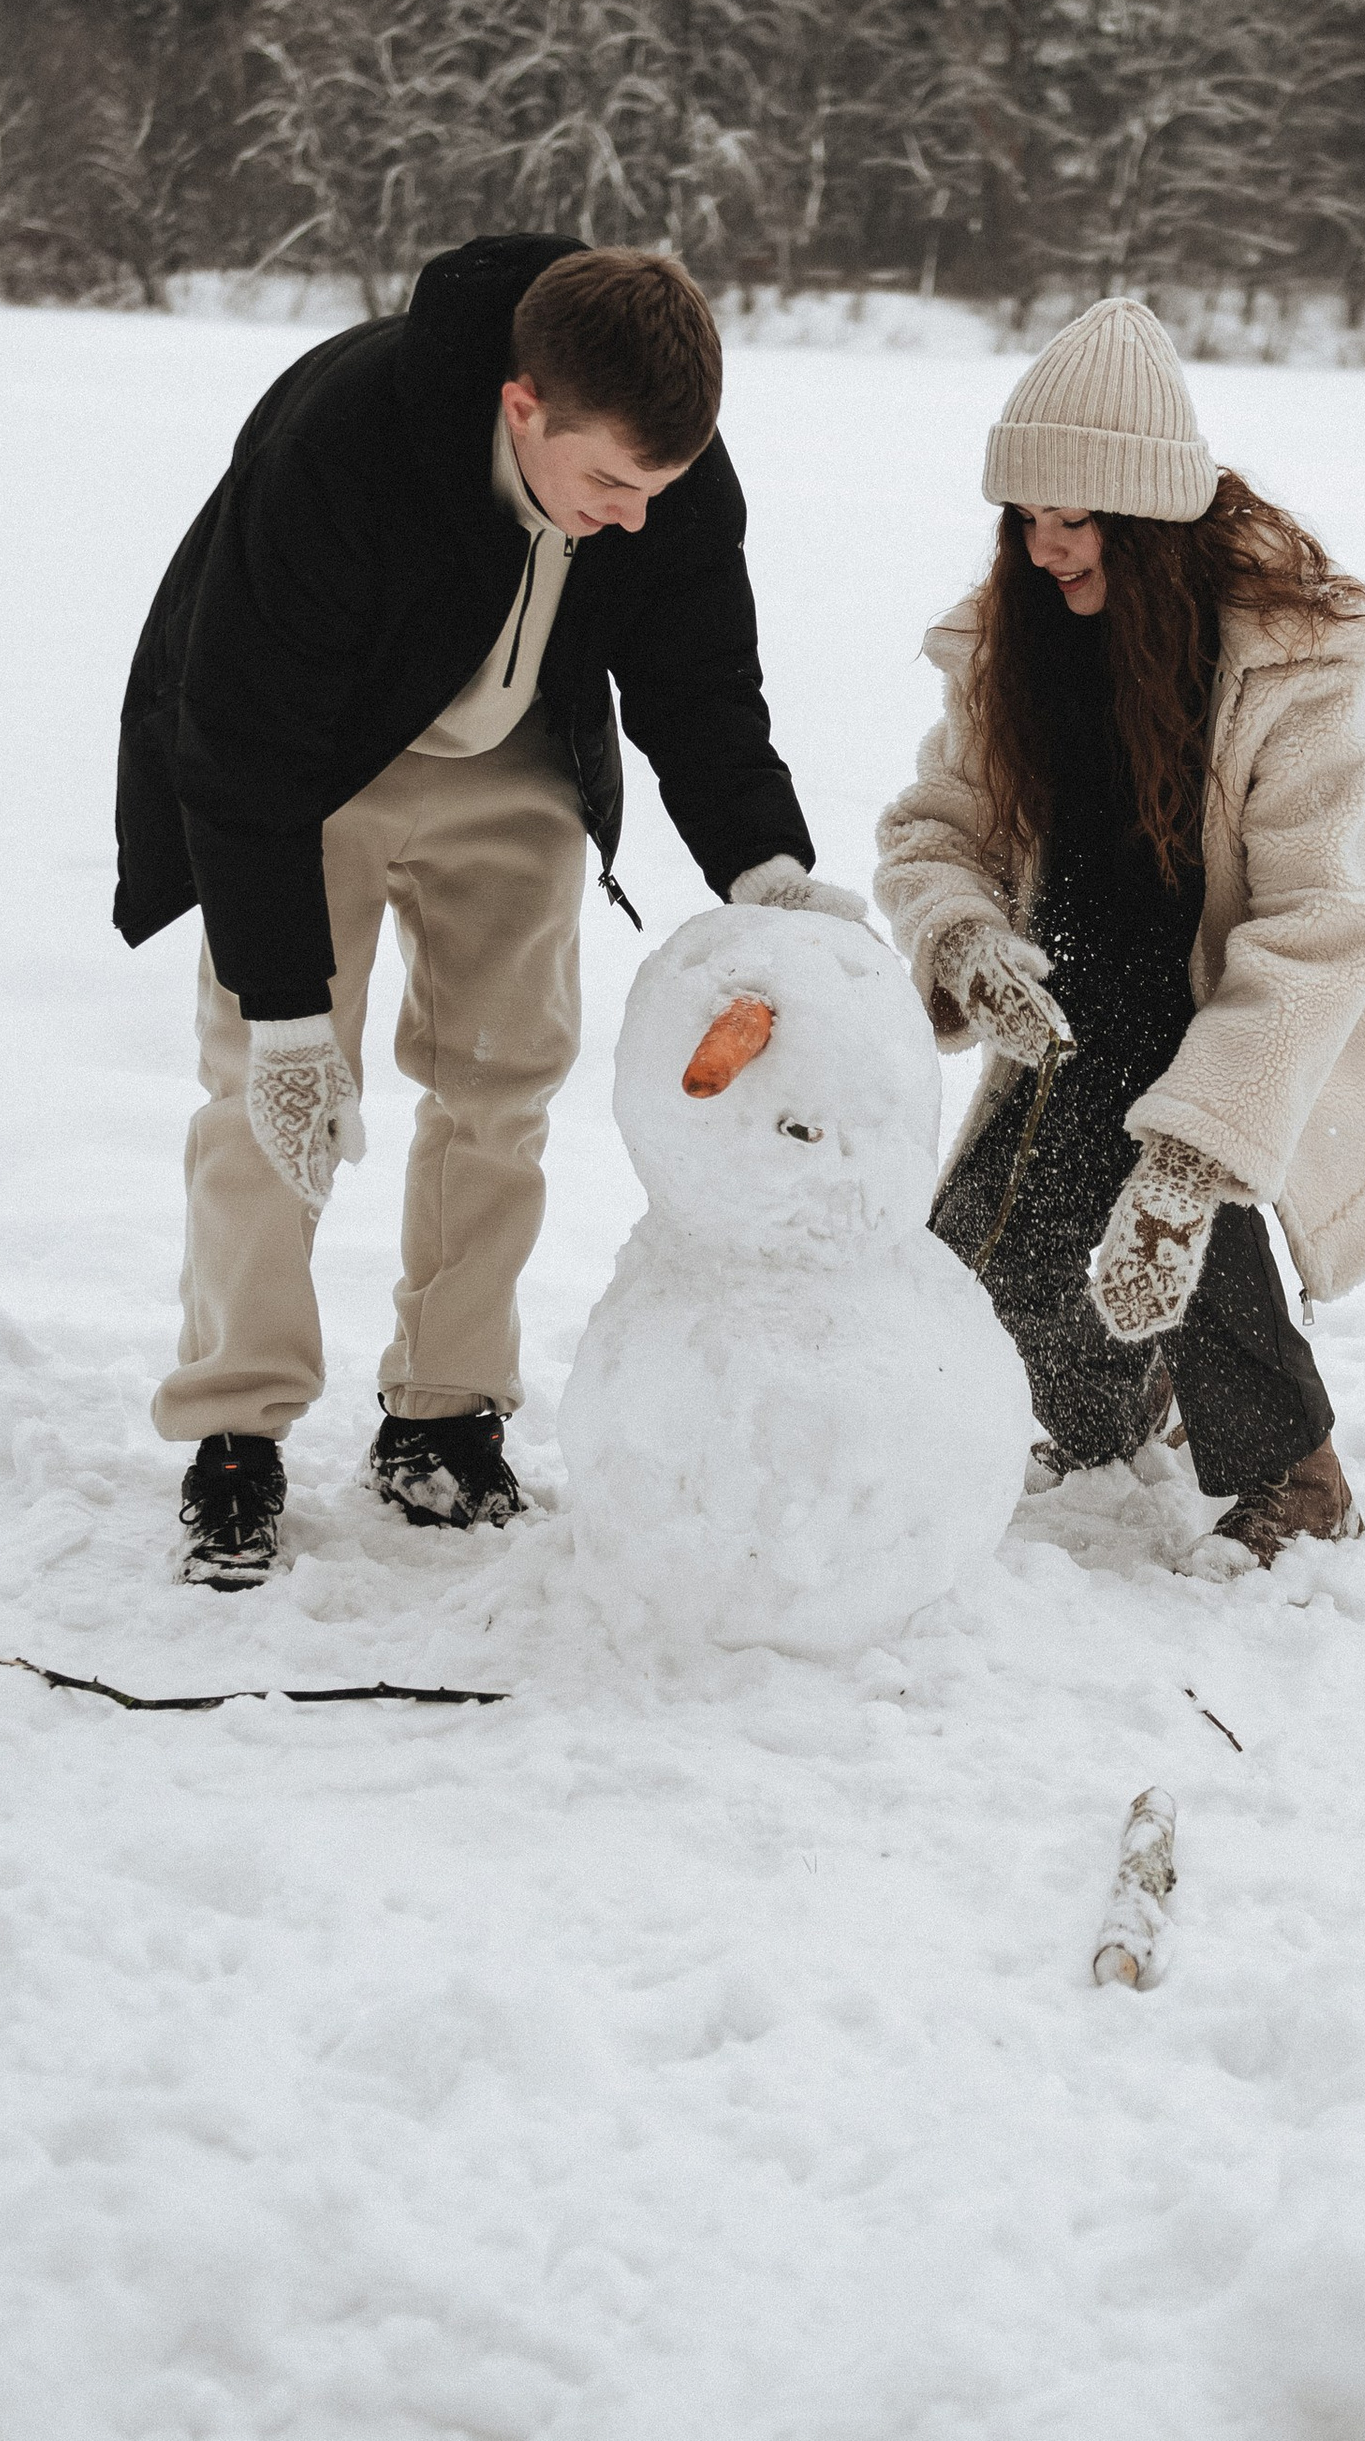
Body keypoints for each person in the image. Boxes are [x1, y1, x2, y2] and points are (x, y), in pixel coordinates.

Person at [115, 236, 865, 1588]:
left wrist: (766, 866)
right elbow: (238, 741)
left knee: (500, 1083)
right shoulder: (342, 443)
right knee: (261, 1091)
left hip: (515, 768)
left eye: (662, 488)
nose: (638, 515)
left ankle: (444, 1413)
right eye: (612, 486)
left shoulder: (663, 472)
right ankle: (235, 1426)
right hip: (314, 773)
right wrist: (290, 1016)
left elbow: (702, 685)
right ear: (524, 406)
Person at [874, 296, 1365, 1564]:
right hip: (1077, 992)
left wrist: (1187, 1170)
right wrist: (966, 940)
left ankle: (1293, 1477)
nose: (1044, 549)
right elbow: (934, 834)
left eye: (1075, 520)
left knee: (1191, 1191)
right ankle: (1104, 1406)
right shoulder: (1007, 647)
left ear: (1147, 523)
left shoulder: (1290, 666)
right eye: (1024, 518)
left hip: (1253, 1019)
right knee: (982, 1266)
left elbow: (1317, 930)